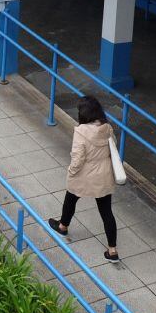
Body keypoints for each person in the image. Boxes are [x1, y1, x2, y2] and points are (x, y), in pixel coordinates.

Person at [48, 95, 120, 261]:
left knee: (71, 198)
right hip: (103, 174)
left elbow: (78, 158)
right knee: (106, 212)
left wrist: (71, 171)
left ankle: (63, 226)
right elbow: (113, 145)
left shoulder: (81, 132)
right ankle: (113, 251)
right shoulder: (107, 127)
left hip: (84, 174)